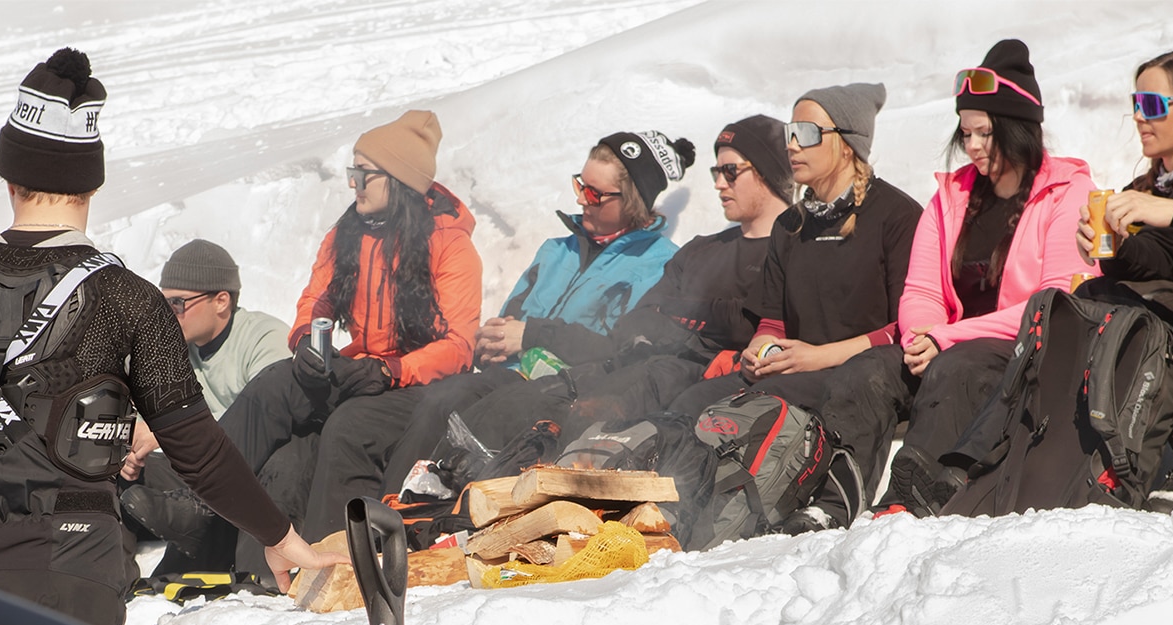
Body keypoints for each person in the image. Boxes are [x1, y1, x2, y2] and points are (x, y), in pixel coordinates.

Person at [0, 48, 341, 625]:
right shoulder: (127, 299)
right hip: (75, 580)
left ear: (9, 178)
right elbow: (197, 450)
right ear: (91, 184)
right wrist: (280, 537)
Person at [387, 115, 796, 494]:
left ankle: (417, 521)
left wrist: (534, 336)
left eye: (730, 171)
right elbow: (638, 325)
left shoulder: (664, 257)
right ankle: (395, 516)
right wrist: (494, 341)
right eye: (579, 186)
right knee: (429, 409)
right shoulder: (694, 250)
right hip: (578, 374)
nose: (582, 199)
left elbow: (713, 326)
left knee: (483, 410)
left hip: (628, 381)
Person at [815, 39, 1099, 515]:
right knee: (866, 372)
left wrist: (948, 337)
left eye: (984, 133)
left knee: (958, 366)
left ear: (1018, 128)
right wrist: (923, 333)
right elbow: (922, 288)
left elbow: (1057, 302)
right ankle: (831, 500)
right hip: (947, 346)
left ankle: (914, 497)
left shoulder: (1067, 192)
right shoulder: (952, 197)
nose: (971, 146)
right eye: (965, 133)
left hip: (1026, 354)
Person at [217, 110, 483, 551]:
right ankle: (199, 497)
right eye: (352, 172)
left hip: (417, 381)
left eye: (363, 174)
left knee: (348, 425)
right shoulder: (347, 233)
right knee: (274, 385)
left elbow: (457, 346)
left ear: (397, 180)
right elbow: (315, 300)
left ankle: (333, 553)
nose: (352, 184)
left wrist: (390, 370)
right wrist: (305, 340)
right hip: (364, 368)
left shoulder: (450, 244)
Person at [664, 83, 924, 531]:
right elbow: (773, 315)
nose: (791, 145)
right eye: (789, 131)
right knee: (693, 402)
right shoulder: (790, 224)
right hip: (798, 367)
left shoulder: (897, 216)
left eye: (805, 132)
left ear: (846, 144)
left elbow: (908, 325)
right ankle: (661, 504)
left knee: (777, 402)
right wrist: (764, 342)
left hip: (864, 375)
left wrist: (819, 355)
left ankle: (816, 508)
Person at [1074, 47, 1173, 512]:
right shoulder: (1147, 186)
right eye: (1135, 104)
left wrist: (1171, 210)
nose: (1138, 117)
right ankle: (1091, 456)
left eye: (1151, 106)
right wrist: (1112, 246)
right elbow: (1167, 261)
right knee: (1090, 294)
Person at [117, 239, 291, 553]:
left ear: (221, 301)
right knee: (107, 477)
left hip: (252, 477)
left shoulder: (264, 338)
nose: (167, 314)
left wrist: (168, 434)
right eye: (162, 303)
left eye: (178, 303)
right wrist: (129, 449)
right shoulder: (172, 349)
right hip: (192, 473)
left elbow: (266, 424)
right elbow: (145, 417)